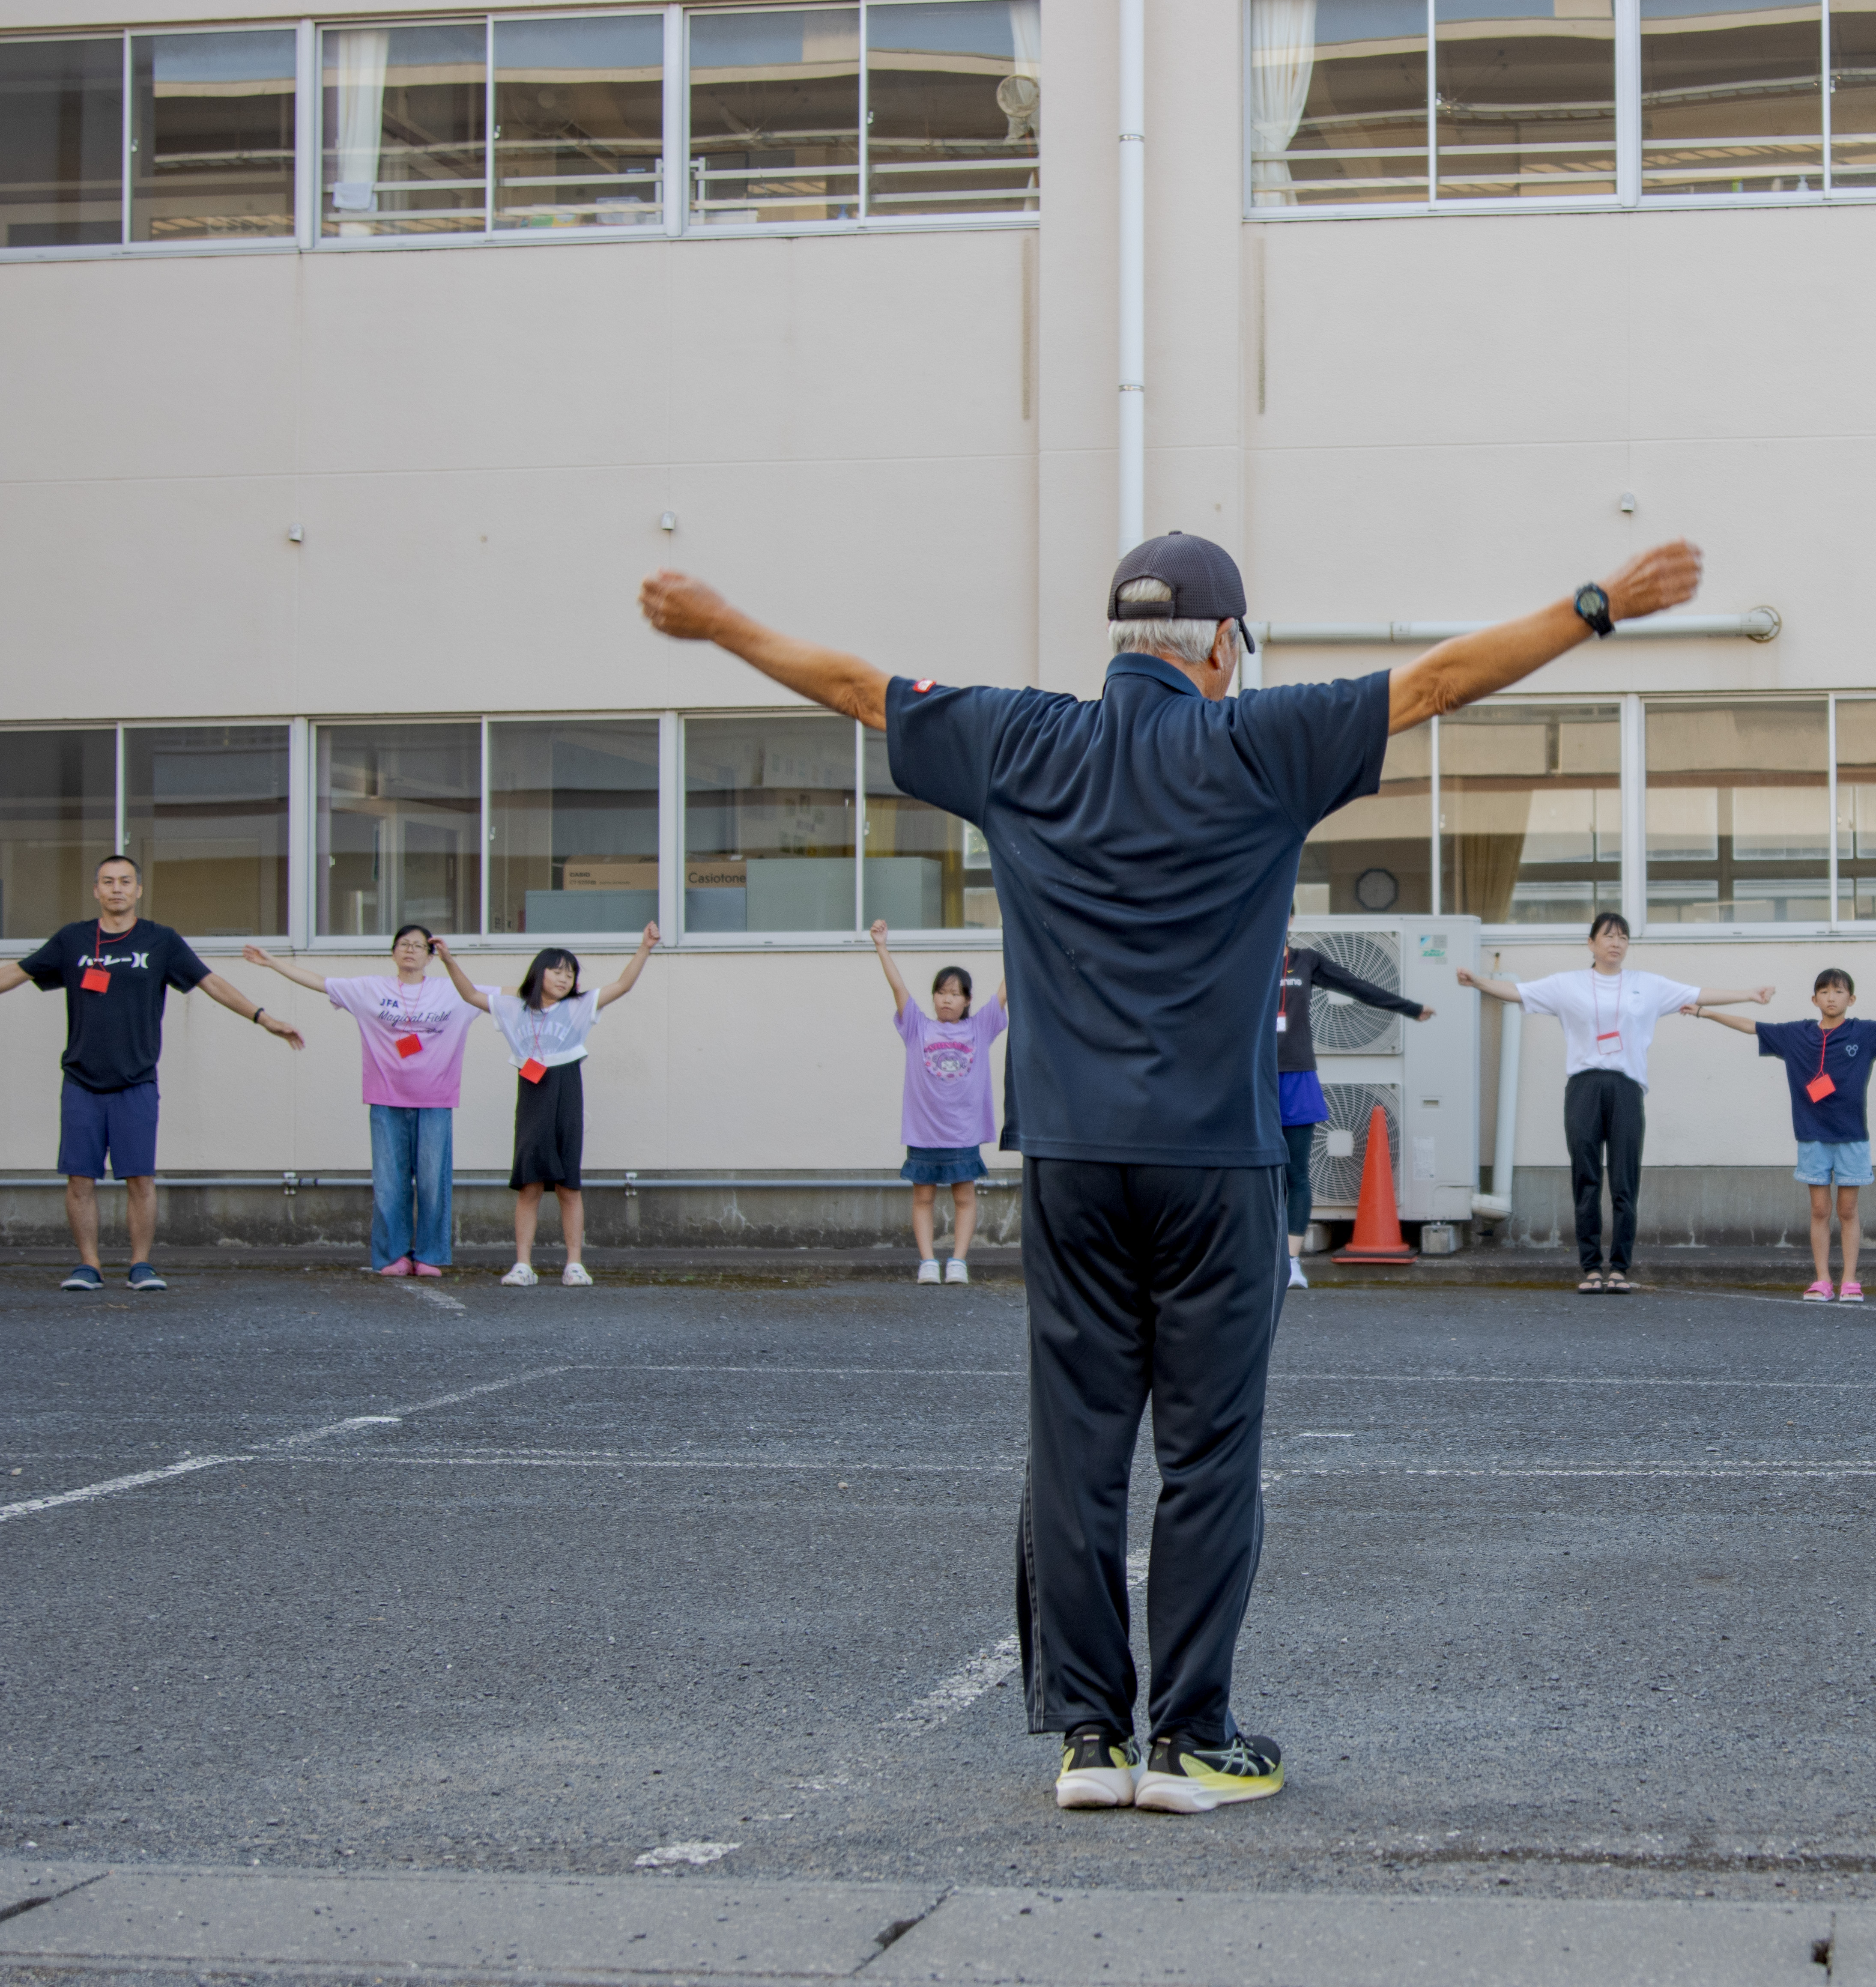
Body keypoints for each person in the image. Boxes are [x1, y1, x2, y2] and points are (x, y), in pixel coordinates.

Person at [638, 527, 1706, 1816]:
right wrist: (1601, 604)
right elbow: (1434, 684)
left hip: (1072, 1158)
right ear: (1217, 644)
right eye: (1240, 646)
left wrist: (720, 621)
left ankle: (1088, 1738)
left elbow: (861, 688)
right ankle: (1193, 1733)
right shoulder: (1254, 743)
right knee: (1209, 1451)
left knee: (1077, 1446)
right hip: (1214, 1162)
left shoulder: (1022, 740)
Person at [0, 853, 304, 1291]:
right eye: (108, 881)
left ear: (139, 890)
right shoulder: (73, 940)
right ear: (96, 890)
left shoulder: (160, 941)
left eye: (126, 881)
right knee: (80, 1177)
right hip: (81, 1079)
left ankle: (142, 1265)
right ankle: (89, 1265)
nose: (117, 888)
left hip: (137, 1079)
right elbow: (18, 971)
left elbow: (210, 981)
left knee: (140, 1177)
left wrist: (265, 1017)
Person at [1458, 913, 1767, 1295]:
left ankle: (1619, 1267)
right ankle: (1590, 1268)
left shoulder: (1647, 986)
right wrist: (1478, 983)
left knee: (1625, 1180)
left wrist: (1748, 994)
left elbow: (1698, 994)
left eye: (1623, 937)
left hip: (1627, 1088)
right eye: (1608, 936)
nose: (1616, 943)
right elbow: (1518, 994)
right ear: (1591, 944)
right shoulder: (1567, 985)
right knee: (1586, 1179)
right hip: (1584, 1087)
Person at [1684, 968, 1876, 1302]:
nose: (1831, 998)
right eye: (1824, 992)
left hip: (1852, 1137)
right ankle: (1822, 1279)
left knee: (1848, 1210)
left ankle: (1850, 1280)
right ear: (1814, 1000)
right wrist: (1704, 1013)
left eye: (1838, 992)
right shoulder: (1797, 1035)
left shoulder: (1865, 1033)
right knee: (1820, 1210)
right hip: (1812, 1137)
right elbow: (1751, 1026)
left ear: (1851, 999)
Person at [241, 925, 478, 1278]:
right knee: (389, 1182)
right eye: (403, 944)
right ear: (393, 952)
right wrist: (274, 962)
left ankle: (430, 1255)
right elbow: (320, 982)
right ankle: (393, 1255)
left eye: (418, 946)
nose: (410, 950)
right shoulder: (371, 989)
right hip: (385, 1098)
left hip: (436, 1100)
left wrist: (453, 962)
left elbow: (505, 996)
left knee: (433, 1181)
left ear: (432, 956)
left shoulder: (453, 992)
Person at [439, 926, 658, 1288]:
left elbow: (623, 985)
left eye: (570, 973)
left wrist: (644, 949)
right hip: (532, 1088)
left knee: (569, 1184)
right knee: (530, 1183)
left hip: (567, 1087)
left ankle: (574, 1264)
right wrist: (448, 959)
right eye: (557, 970)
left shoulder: (578, 1006)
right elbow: (469, 994)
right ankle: (523, 1265)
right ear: (539, 972)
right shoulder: (512, 1007)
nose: (564, 977)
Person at [1275, 931, 1432, 1289]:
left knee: (1296, 1174)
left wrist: (1408, 1007)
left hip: (1297, 1076)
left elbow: (1356, 986)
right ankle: (1249, 1259)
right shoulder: (1243, 955)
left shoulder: (1306, 960)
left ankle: (1290, 1264)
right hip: (1252, 1078)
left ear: (1291, 917)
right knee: (1248, 1175)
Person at [872, 919, 1005, 1284]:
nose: (947, 999)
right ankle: (929, 1262)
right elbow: (898, 987)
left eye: (956, 993)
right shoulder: (917, 1026)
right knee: (923, 1200)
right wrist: (882, 946)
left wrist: (1016, 934)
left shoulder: (981, 1027)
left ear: (967, 1001)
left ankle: (959, 1262)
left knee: (965, 1199)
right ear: (933, 997)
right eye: (941, 992)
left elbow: (1005, 989)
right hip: (925, 1133)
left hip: (962, 1135)